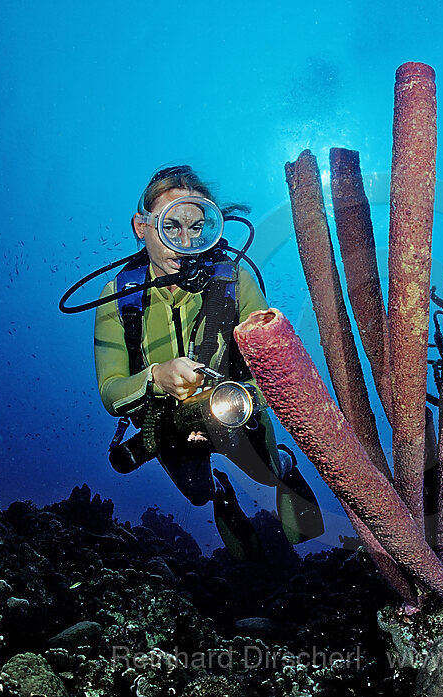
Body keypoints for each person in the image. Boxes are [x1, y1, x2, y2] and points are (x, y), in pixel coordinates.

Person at [93, 165, 322, 558]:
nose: (185, 243)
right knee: (197, 494)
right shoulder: (118, 298)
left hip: (235, 409)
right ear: (141, 226)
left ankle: (284, 467)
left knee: (266, 474)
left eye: (196, 228)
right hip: (166, 422)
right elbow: (110, 392)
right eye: (171, 226)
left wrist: (239, 400)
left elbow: (274, 371)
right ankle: (220, 493)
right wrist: (157, 377)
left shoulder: (235, 281)